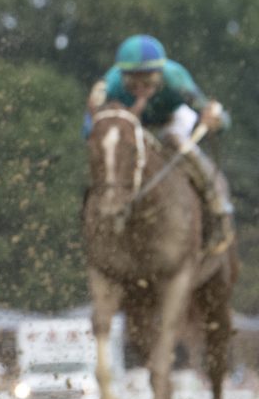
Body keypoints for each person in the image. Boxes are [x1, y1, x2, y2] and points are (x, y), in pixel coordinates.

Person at [94, 34, 235, 253]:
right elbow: (92, 121)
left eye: (148, 81)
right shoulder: (110, 83)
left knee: (180, 145)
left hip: (171, 121)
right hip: (132, 124)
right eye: (132, 81)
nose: (140, 87)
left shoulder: (176, 78)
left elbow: (208, 111)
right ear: (122, 75)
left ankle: (216, 207)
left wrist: (216, 120)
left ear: (160, 74)